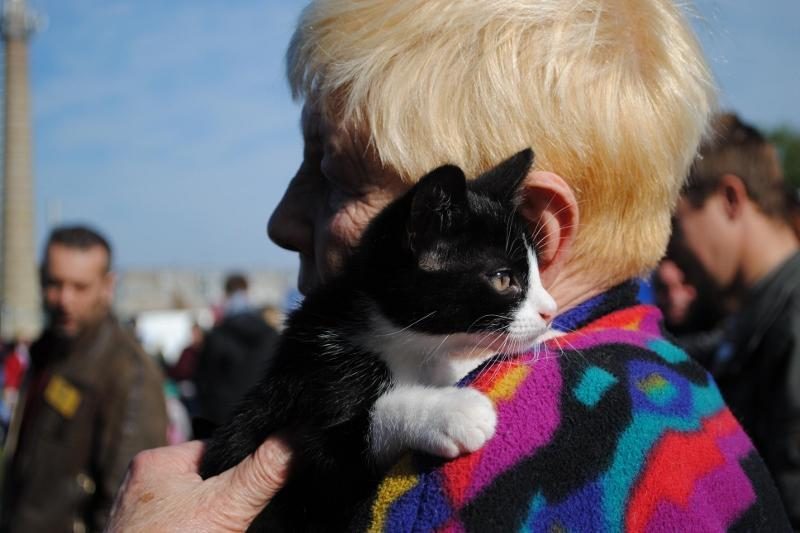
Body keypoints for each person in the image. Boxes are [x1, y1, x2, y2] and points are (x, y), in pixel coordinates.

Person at [110, 1, 790, 530]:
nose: (282, 220)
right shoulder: (668, 375)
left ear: (531, 227)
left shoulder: (463, 479)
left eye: (337, 176)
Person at [675, 112, 800, 526]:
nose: (672, 248)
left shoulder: (792, 323)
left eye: (677, 224)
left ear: (729, 199)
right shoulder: (757, 317)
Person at [1, 226, 168, 532]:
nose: (64, 299)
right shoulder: (47, 352)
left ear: (107, 285)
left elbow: (129, 506)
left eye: (79, 287)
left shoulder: (130, 376)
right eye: (54, 284)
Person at [194, 273, 278, 427]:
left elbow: (202, 378)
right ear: (247, 291)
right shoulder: (270, 334)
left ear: (226, 293)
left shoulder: (217, 335)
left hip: (223, 418)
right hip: (262, 415)